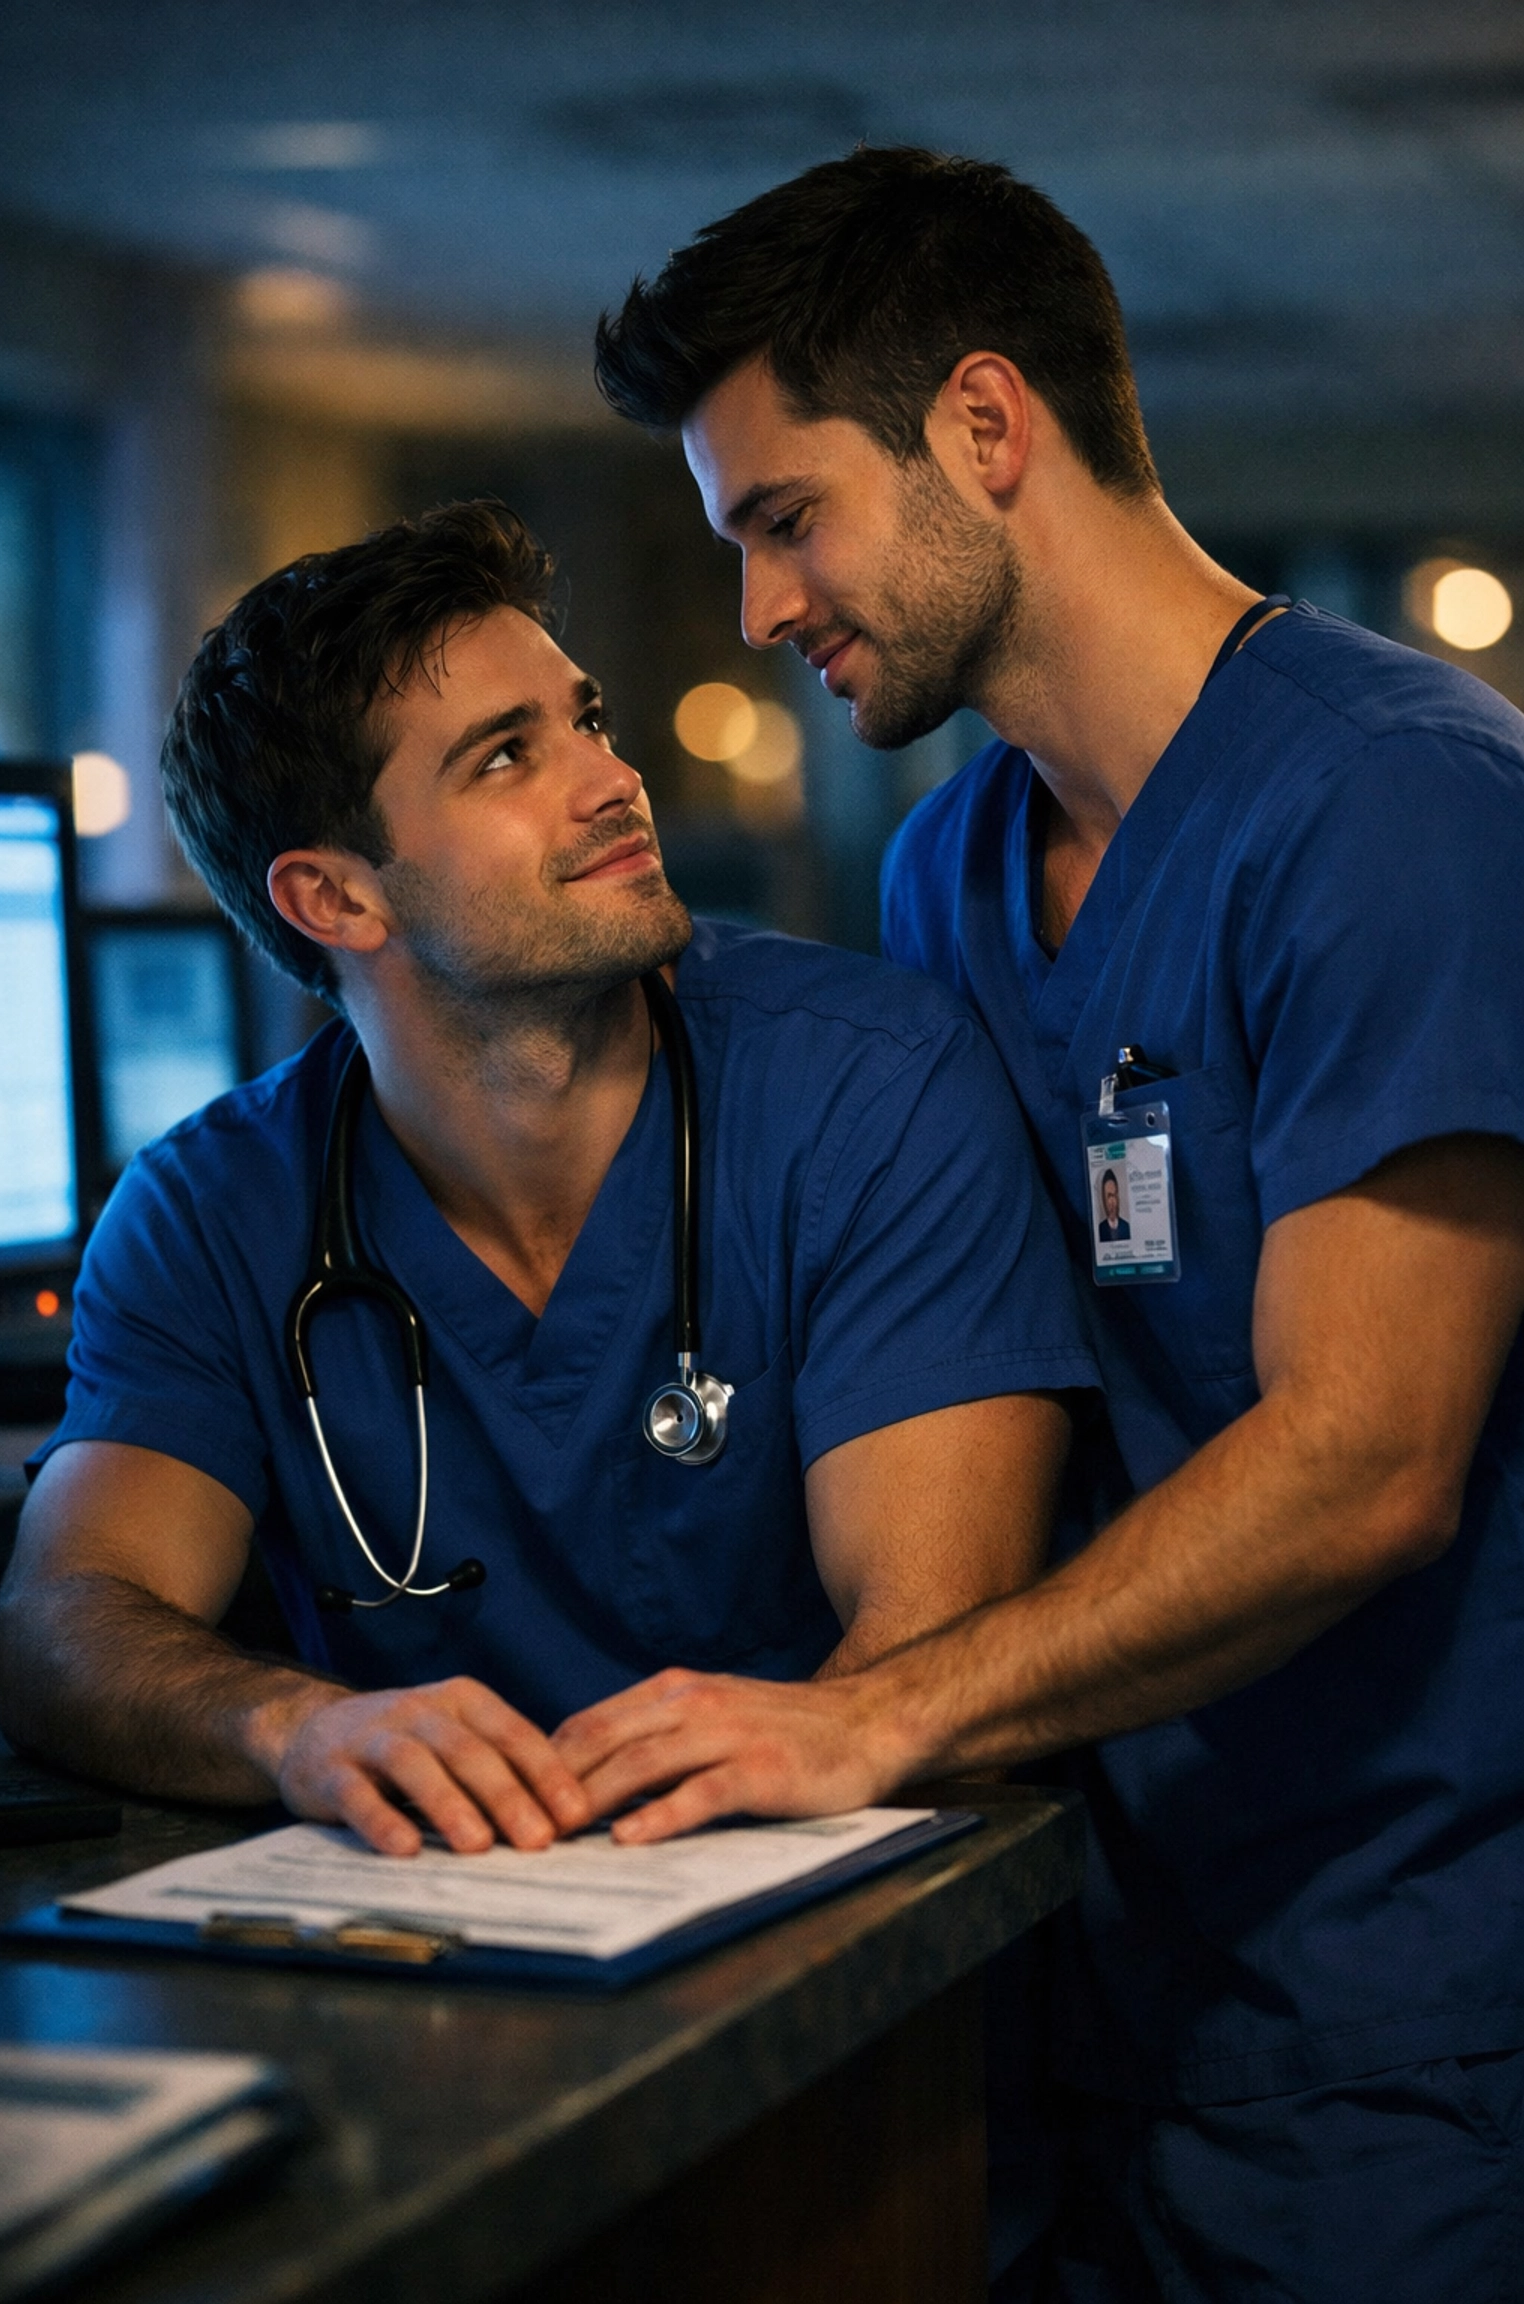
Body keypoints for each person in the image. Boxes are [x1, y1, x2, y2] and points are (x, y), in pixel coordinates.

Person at [562, 148, 1524, 2300]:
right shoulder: (950, 869)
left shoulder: (1399, 803)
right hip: (1103, 1975)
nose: (758, 610)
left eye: (784, 518)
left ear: (986, 427)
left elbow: (1369, 1456)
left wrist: (879, 1716)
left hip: (1411, 2010)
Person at [0, 497, 1098, 1863]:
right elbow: (62, 1621)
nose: (611, 780)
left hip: (835, 1912)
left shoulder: (868, 1089)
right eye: (506, 756)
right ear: (336, 900)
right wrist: (294, 1731)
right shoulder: (209, 1214)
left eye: (588, 721)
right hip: (431, 1930)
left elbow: (929, 1662)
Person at [1095, 1171, 1129, 1245]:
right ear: (1104, 1199)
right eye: (1109, 1196)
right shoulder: (1099, 1230)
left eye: (1114, 1195)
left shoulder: (1127, 1227)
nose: (1112, 1202)